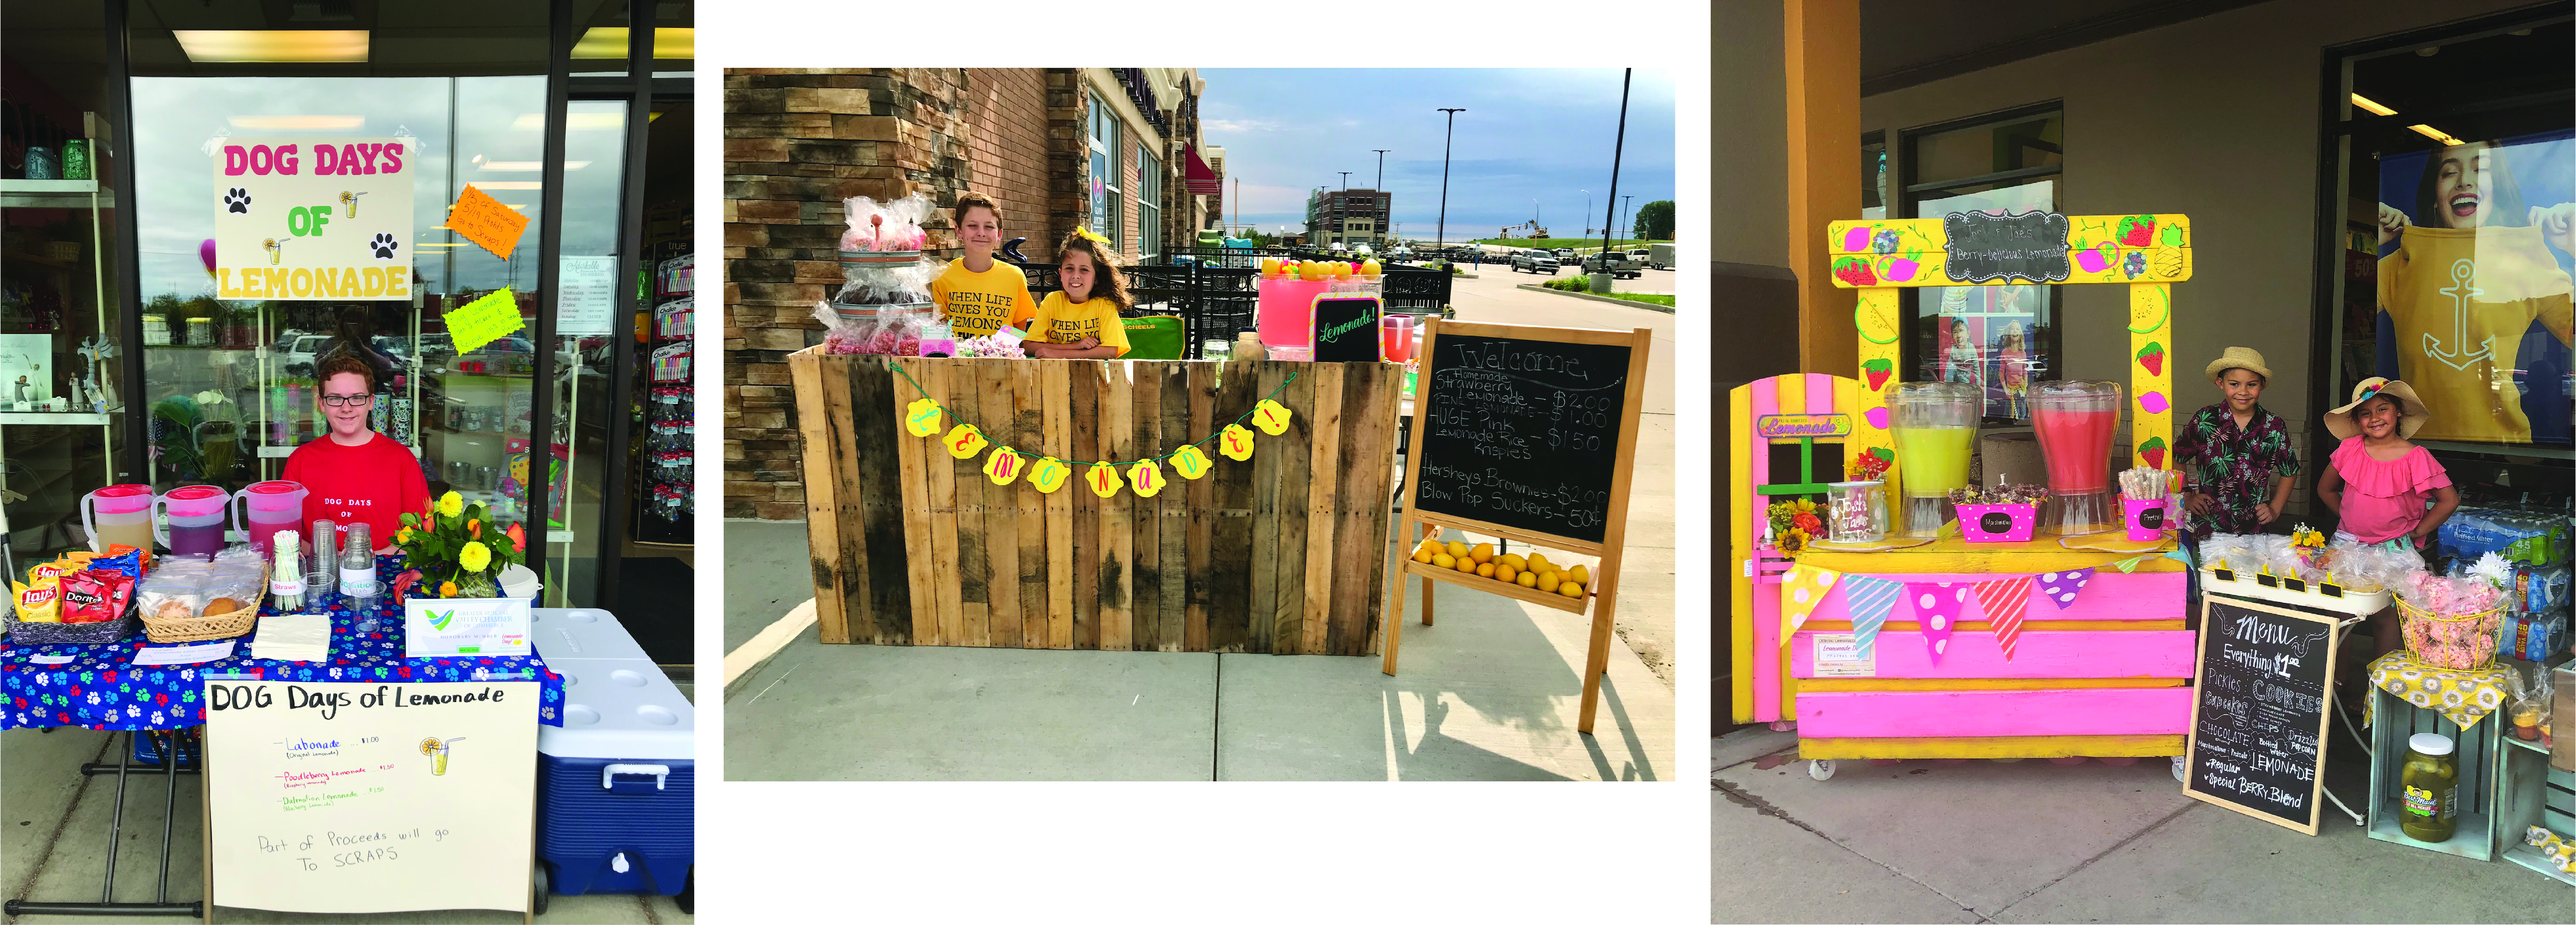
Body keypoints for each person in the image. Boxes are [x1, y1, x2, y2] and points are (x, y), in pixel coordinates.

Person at [2375, 140, 2576, 443]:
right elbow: (2325, 320)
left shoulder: (2526, 261)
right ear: (2434, 196)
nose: (2465, 180)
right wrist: (2373, 241)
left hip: (2504, 446)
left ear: (2499, 192)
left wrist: (2574, 249)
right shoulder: (2401, 264)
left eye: (2481, 171)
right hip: (2417, 450)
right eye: (2449, 172)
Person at [2313, 376, 2459, 658]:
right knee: (2336, 611)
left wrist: (2417, 532)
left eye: (2383, 409)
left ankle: (2378, 689)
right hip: (2348, 546)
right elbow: (2325, 489)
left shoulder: (2416, 457)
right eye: (2365, 413)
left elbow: (2449, 500)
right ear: (2357, 420)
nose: (2374, 418)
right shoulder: (2350, 449)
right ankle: (2338, 683)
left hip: (2394, 550)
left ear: (2399, 412)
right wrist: (2349, 518)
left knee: (2385, 616)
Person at [281, 354, 428, 553]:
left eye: (357, 398)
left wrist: (365, 562)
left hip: (386, 570)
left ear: (371, 402)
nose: (346, 408)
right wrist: (328, 558)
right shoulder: (301, 460)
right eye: (335, 398)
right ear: (322, 404)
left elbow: (420, 532)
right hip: (319, 571)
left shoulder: (401, 459)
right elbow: (286, 534)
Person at [2176, 348, 2300, 540]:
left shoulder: (2274, 426)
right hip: (2208, 527)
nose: (2243, 392)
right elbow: (2178, 457)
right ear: (2221, 383)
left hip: (2254, 530)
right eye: (2235, 384)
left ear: (2262, 385)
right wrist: (2187, 496)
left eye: (2252, 385)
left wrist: (2275, 509)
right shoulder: (2205, 420)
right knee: (2209, 570)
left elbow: (2290, 471)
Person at [928, 191, 1038, 338]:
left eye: (989, 227)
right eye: (973, 225)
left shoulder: (1014, 276)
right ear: (959, 231)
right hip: (957, 359)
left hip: (1000, 359)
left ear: (999, 234)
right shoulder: (942, 276)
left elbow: (1018, 329)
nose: (981, 233)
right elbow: (939, 329)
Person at [1022, 228, 1132, 361]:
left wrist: (1059, 354)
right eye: (1069, 268)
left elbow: (1110, 351)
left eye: (1084, 270)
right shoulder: (1052, 301)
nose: (1076, 276)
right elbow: (1028, 346)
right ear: (1061, 274)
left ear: (1096, 277)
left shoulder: (1104, 304)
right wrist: (1076, 346)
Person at [1996, 320, 2030, 420]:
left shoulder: (2023, 353)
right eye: (2012, 329)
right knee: (2008, 416)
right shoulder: (2005, 353)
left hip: (2021, 390)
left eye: (2017, 329)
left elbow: (2025, 372)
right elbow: (2002, 374)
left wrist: (2025, 387)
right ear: (2009, 334)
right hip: (2010, 392)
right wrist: (2006, 390)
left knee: (2023, 415)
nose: (2015, 331)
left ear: (2020, 334)